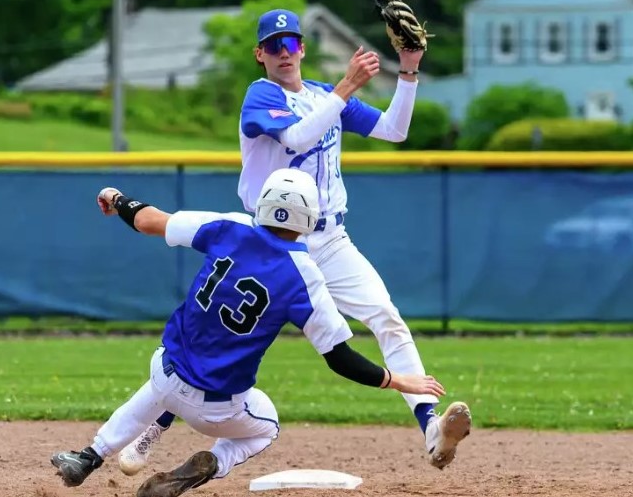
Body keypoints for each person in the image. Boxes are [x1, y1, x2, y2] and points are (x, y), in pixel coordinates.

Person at [121, 8, 472, 475]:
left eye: (291, 44)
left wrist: (407, 70)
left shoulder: (326, 95)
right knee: (221, 336)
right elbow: (294, 137)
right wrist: (346, 87)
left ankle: (431, 428)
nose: (283, 53)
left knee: (387, 318)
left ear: (304, 48)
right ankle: (153, 429)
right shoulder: (261, 95)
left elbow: (395, 129)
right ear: (260, 55)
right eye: (273, 46)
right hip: (270, 242)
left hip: (331, 239)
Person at [51, 168, 449, 497]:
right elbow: (339, 358)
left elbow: (147, 220)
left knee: (162, 381)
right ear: (310, 218)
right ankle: (214, 463)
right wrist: (398, 380)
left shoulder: (231, 226)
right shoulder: (305, 276)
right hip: (216, 409)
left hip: (166, 370)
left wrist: (116, 197)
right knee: (267, 426)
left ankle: (89, 455)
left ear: (264, 205)